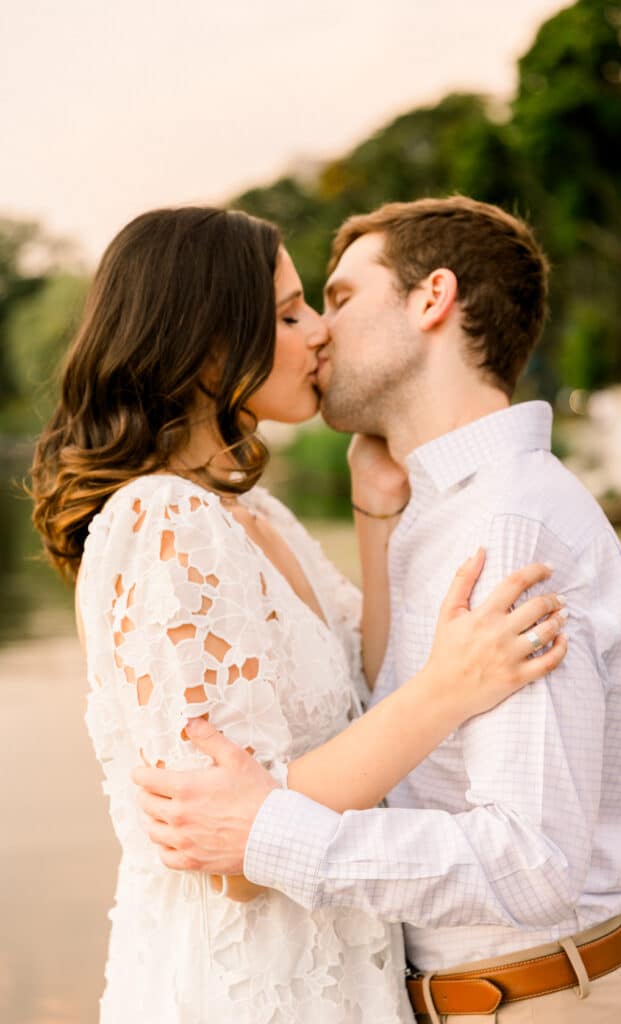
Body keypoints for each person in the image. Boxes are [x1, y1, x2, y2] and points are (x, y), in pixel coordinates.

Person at [135, 197, 621, 1023]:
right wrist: (376, 515)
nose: (317, 331)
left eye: (341, 299)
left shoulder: (507, 529)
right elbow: (394, 739)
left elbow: (530, 861)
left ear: (432, 299)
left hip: (541, 1002)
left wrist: (269, 832)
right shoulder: (439, 515)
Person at [31, 206, 568, 1024]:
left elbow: (366, 696)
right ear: (207, 344)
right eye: (288, 314)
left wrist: (374, 511)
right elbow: (232, 852)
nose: (321, 331)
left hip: (342, 972)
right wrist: (450, 689)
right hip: (246, 991)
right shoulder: (157, 522)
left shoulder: (259, 518)